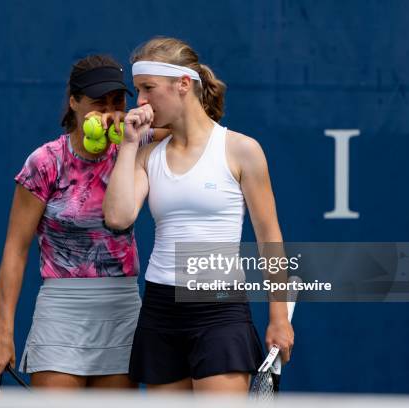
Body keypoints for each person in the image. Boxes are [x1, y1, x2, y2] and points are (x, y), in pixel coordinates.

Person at [103, 37, 294, 393]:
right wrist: (129, 145)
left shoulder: (242, 150)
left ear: (183, 85)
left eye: (148, 89)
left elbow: (270, 238)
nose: (140, 101)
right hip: (161, 309)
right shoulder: (147, 155)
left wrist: (279, 317)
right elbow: (118, 217)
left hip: (220, 311)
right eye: (137, 90)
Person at [0, 54, 166, 389]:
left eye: (117, 102)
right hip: (60, 315)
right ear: (73, 102)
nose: (110, 113)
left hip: (122, 314)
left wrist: (148, 116)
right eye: (98, 103)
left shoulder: (135, 146)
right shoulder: (45, 162)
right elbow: (15, 250)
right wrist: (3, 331)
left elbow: (190, 127)